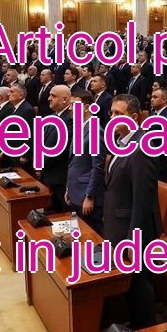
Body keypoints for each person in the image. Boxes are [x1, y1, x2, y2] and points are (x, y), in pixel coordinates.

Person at [103, 94, 163, 329]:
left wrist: (133, 239)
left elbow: (142, 199)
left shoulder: (142, 148)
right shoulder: (120, 142)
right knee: (130, 285)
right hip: (119, 224)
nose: (113, 118)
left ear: (134, 117)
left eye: (119, 114)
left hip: (135, 229)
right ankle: (133, 328)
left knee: (140, 286)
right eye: (111, 113)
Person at [65, 90, 105, 234]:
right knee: (79, 234)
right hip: (75, 191)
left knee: (91, 236)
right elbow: (74, 162)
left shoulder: (94, 130)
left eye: (73, 105)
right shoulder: (80, 127)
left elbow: (97, 167)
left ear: (86, 107)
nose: (70, 108)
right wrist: (69, 188)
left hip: (86, 195)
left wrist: (90, 196)